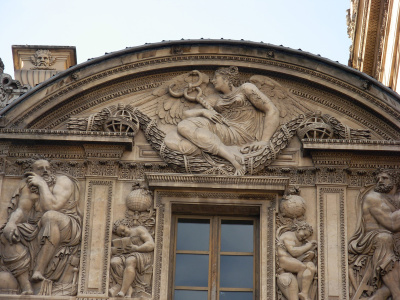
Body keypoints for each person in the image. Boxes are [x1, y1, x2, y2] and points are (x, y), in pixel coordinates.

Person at [165, 66, 280, 175]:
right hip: (225, 132)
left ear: (226, 78)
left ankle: (230, 157)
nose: (212, 80)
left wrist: (264, 141)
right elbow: (186, 115)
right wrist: (204, 112)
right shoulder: (215, 99)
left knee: (184, 127)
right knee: (170, 139)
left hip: (241, 134)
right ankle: (226, 151)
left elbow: (272, 110)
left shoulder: (246, 89)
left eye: (216, 77)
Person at [0, 159, 81, 295]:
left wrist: (42, 184)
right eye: (40, 168)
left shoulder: (63, 181)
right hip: (37, 226)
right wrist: (11, 223)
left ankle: (39, 270)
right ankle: (26, 287)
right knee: (6, 235)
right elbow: (22, 211)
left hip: (66, 225)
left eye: (47, 168)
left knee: (50, 216)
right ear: (33, 172)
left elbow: (52, 206)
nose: (45, 171)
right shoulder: (29, 186)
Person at [348, 170, 400, 300]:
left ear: (395, 180)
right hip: (373, 238)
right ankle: (397, 294)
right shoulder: (373, 198)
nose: (380, 181)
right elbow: (392, 223)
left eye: (385, 178)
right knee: (385, 239)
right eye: (378, 179)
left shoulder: (396, 198)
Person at [109, 220, 155, 298]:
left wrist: (137, 248)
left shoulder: (138, 230)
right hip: (126, 254)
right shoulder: (124, 238)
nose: (123, 234)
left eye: (123, 230)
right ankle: (128, 287)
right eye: (121, 234)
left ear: (127, 224)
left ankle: (123, 291)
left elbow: (151, 244)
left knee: (130, 261)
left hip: (141, 253)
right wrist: (115, 250)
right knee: (114, 262)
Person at [277, 220, 317, 300]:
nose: (304, 237)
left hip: (291, 260)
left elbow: (298, 254)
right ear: (299, 229)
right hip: (283, 260)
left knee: (311, 266)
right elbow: (294, 252)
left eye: (307, 236)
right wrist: (308, 246)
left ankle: (304, 293)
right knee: (302, 267)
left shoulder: (300, 241)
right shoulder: (289, 236)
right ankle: (299, 292)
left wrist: (311, 254)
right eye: (304, 234)